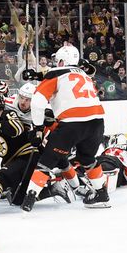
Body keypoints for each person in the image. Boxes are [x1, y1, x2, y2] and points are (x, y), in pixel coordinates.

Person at [21, 44, 110, 212]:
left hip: (72, 124)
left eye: (57, 60)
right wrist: (37, 75)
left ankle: (29, 199)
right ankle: (102, 195)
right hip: (97, 122)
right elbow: (65, 76)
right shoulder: (84, 75)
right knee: (87, 159)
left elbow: (38, 101)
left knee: (46, 162)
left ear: (62, 61)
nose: (55, 63)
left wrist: (38, 129)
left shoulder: (56, 74)